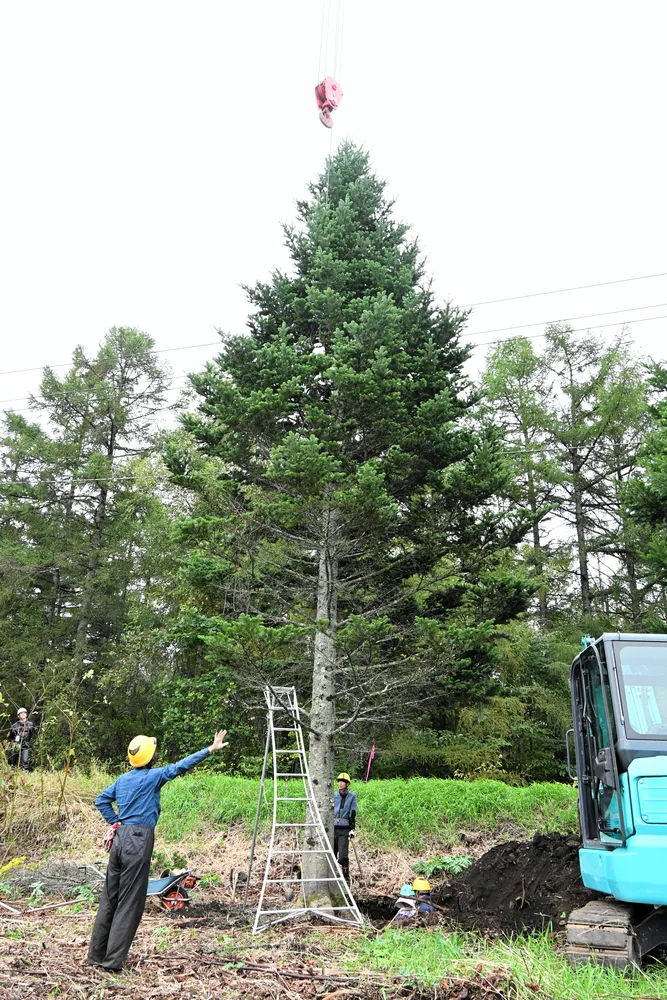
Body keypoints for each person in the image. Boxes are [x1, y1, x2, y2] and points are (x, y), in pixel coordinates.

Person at [87, 728, 228, 973]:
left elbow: (101, 800)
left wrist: (116, 822)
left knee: (110, 897)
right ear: (150, 758)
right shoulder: (153, 777)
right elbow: (181, 766)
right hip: (139, 839)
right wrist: (210, 749)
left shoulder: (123, 780)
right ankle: (112, 963)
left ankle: (96, 955)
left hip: (120, 839)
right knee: (130, 901)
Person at [333, 771, 357, 881]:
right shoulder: (333, 795)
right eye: (339, 782)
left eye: (343, 782)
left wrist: (352, 829)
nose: (340, 784)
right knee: (332, 853)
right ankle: (332, 876)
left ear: (347, 784)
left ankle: (345, 875)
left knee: (342, 856)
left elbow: (353, 813)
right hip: (332, 828)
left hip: (344, 829)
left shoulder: (352, 796)